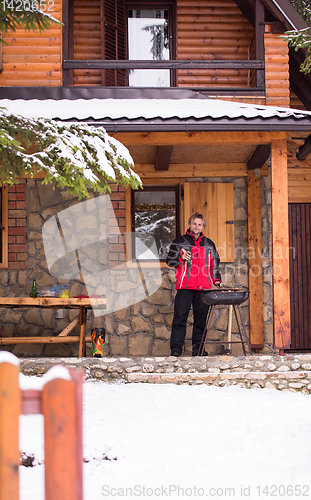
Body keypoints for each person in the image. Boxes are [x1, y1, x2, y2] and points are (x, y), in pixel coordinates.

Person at [166, 213, 222, 357]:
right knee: (179, 318)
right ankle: (176, 349)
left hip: (203, 288)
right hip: (185, 287)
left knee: (201, 321)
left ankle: (199, 349)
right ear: (190, 224)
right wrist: (181, 257)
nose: (197, 226)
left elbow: (215, 264)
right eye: (194, 223)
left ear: (203, 226)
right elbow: (169, 261)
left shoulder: (209, 244)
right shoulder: (179, 241)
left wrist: (216, 280)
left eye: (200, 224)